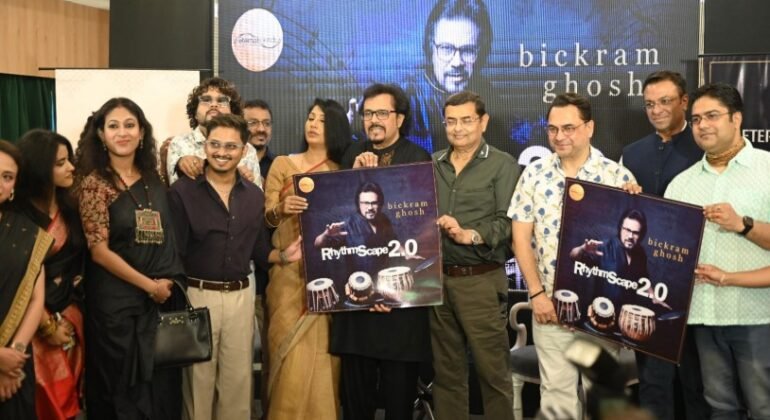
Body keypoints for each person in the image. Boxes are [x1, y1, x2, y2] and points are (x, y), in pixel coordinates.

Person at [510, 93, 637, 418]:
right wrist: (536, 294)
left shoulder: (617, 177)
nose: (559, 136)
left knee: (603, 398)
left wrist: (637, 203)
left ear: (589, 127)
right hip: (550, 306)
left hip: (601, 309)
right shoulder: (534, 174)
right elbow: (520, 239)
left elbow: (632, 248)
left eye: (568, 128)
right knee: (556, 397)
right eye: (553, 129)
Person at [168, 114, 299, 420]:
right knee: (198, 386)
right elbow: (173, 254)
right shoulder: (182, 192)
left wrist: (283, 255)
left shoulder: (253, 195)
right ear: (205, 146)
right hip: (198, 296)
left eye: (231, 146)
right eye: (215, 144)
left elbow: (257, 248)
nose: (222, 152)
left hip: (241, 297)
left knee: (238, 387)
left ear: (243, 150)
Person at [665, 83, 770, 419]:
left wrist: (742, 224)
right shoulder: (681, 184)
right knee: (719, 407)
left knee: (763, 406)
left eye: (712, 116)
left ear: (736, 118)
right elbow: (664, 252)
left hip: (757, 315)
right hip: (703, 315)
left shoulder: (767, 170)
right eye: (696, 119)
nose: (703, 125)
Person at [75, 97, 185, 419]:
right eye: (113, 126)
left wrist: (165, 283)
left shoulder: (154, 179)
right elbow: (99, 251)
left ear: (141, 132)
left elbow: (167, 236)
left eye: (129, 125)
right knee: (120, 392)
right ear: (101, 134)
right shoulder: (94, 185)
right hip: (116, 308)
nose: (122, 133)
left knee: (160, 390)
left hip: (159, 300)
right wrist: (149, 286)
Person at [328, 83, 432, 420]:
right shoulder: (350, 155)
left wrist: (387, 291)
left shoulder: (418, 158)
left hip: (399, 307)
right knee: (356, 404)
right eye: (368, 113)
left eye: (382, 113)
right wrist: (356, 173)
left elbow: (416, 231)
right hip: (358, 306)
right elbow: (341, 217)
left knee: (399, 403)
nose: (373, 120)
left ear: (399, 118)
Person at [621, 70, 709, 420]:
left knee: (698, 381)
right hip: (646, 284)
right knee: (653, 382)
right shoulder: (631, 154)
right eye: (649, 104)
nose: (656, 110)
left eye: (665, 102)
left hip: (698, 282)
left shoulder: (704, 147)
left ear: (684, 102)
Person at [431, 91, 518, 420]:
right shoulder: (433, 164)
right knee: (447, 375)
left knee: (493, 374)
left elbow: (508, 222)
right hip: (437, 282)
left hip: (480, 280)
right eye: (451, 121)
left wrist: (470, 235)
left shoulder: (502, 164)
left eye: (466, 120)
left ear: (483, 122)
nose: (458, 128)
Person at [262, 98, 351, 420]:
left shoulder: (341, 171)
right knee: (289, 355)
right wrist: (281, 209)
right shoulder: (283, 165)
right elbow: (266, 218)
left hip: (329, 277)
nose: (313, 124)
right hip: (288, 276)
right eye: (311, 117)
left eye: (322, 120)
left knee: (324, 358)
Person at [16, 130, 86, 420]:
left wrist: (68, 317)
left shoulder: (72, 208)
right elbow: (19, 280)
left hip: (72, 318)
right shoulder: (17, 217)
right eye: (60, 163)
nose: (71, 168)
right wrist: (48, 326)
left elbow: (80, 266)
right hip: (30, 323)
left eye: (69, 160)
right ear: (39, 168)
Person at [407, 0, 508, 153]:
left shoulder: (488, 93)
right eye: (446, 48)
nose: (457, 62)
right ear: (430, 49)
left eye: (468, 50)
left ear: (481, 53)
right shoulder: (408, 99)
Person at [0, 140, 51, 420]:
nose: (0, 183)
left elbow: (35, 299)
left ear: (14, 187)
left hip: (15, 367)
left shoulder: (27, 234)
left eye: (7, 177)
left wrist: (14, 357)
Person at [166, 77, 261, 186]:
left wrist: (244, 182)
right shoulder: (179, 143)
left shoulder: (248, 150)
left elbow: (256, 192)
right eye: (206, 100)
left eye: (222, 101)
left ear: (233, 111)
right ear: (195, 112)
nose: (214, 105)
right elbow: (176, 190)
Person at [569, 209, 649, 304]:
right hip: (601, 310)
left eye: (635, 233)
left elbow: (644, 281)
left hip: (627, 311)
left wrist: (655, 296)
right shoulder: (604, 247)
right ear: (620, 228)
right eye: (627, 230)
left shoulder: (640, 253)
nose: (630, 236)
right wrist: (582, 249)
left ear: (641, 234)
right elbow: (573, 256)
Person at [244, 99, 277, 181]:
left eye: (267, 123)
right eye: (253, 123)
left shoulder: (279, 164)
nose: (261, 129)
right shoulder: (231, 163)